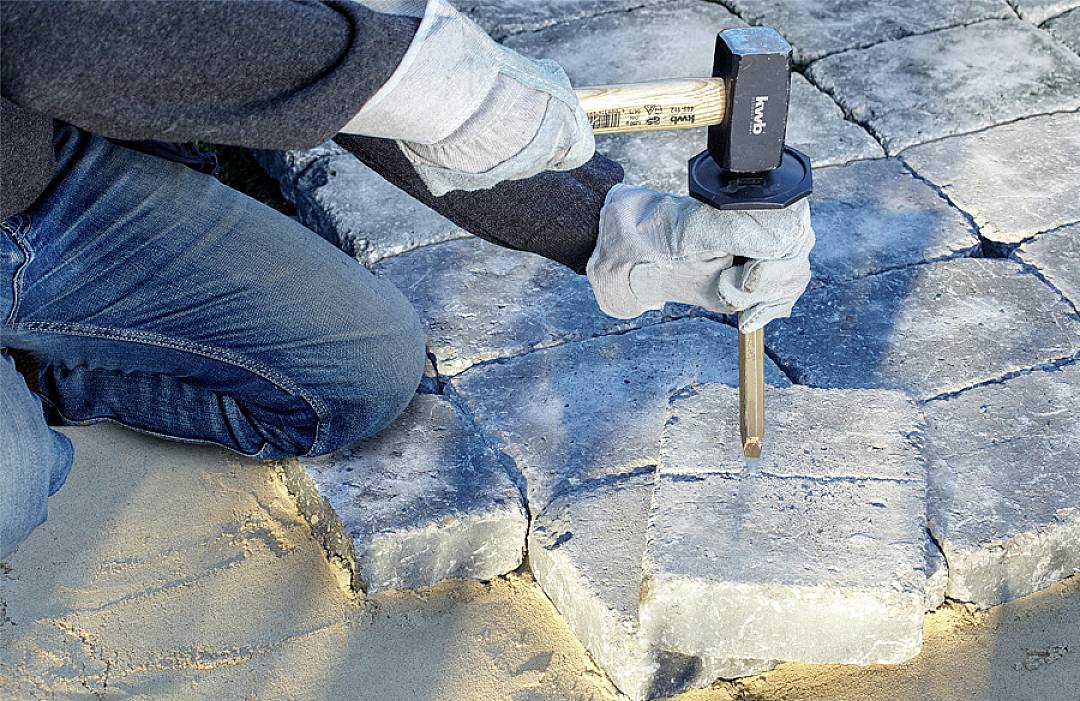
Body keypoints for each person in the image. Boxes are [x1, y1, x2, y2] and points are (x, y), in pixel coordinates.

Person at [0, 0, 815, 559]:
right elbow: (48, 32)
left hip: (43, 182)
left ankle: (37, 369)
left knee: (361, 371)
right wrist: (405, 79)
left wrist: (612, 224)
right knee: (10, 483)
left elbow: (334, 49)